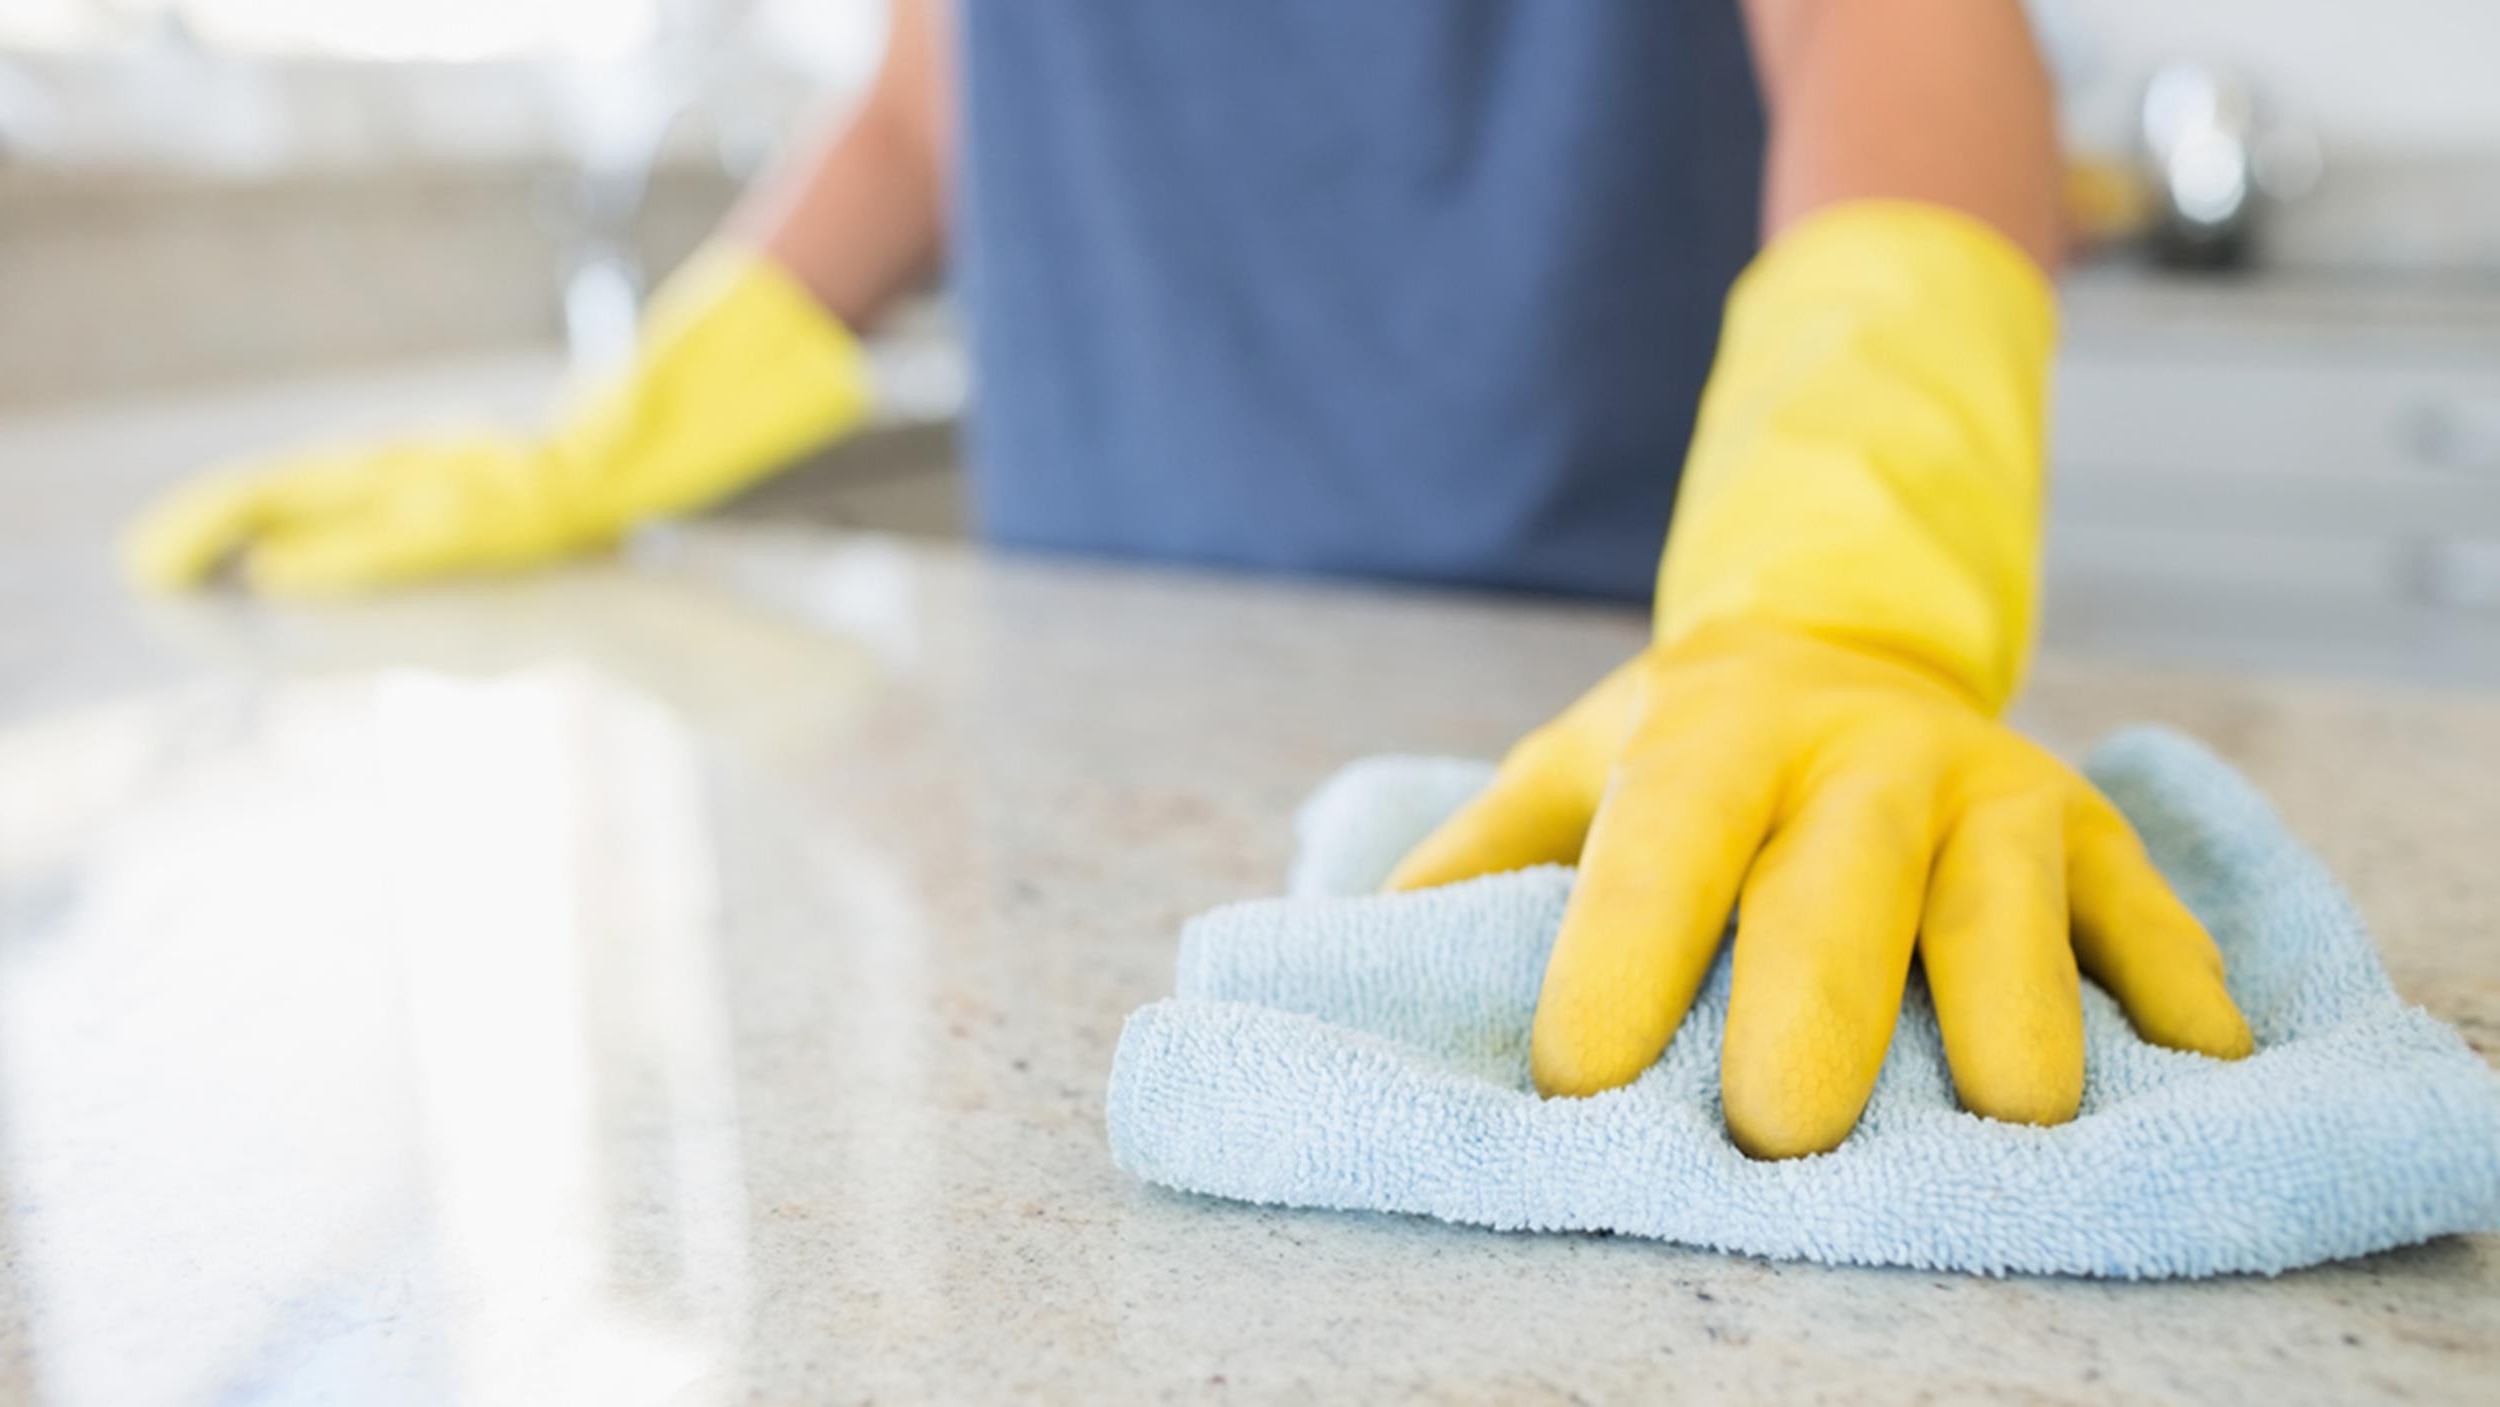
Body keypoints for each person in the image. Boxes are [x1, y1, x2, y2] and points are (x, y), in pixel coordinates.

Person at [123, 0, 2252, 1158]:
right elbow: (925, 101)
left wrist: (1832, 596)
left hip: (1592, 728)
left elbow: (1910, 39)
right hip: (1072, 715)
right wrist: (614, 438)